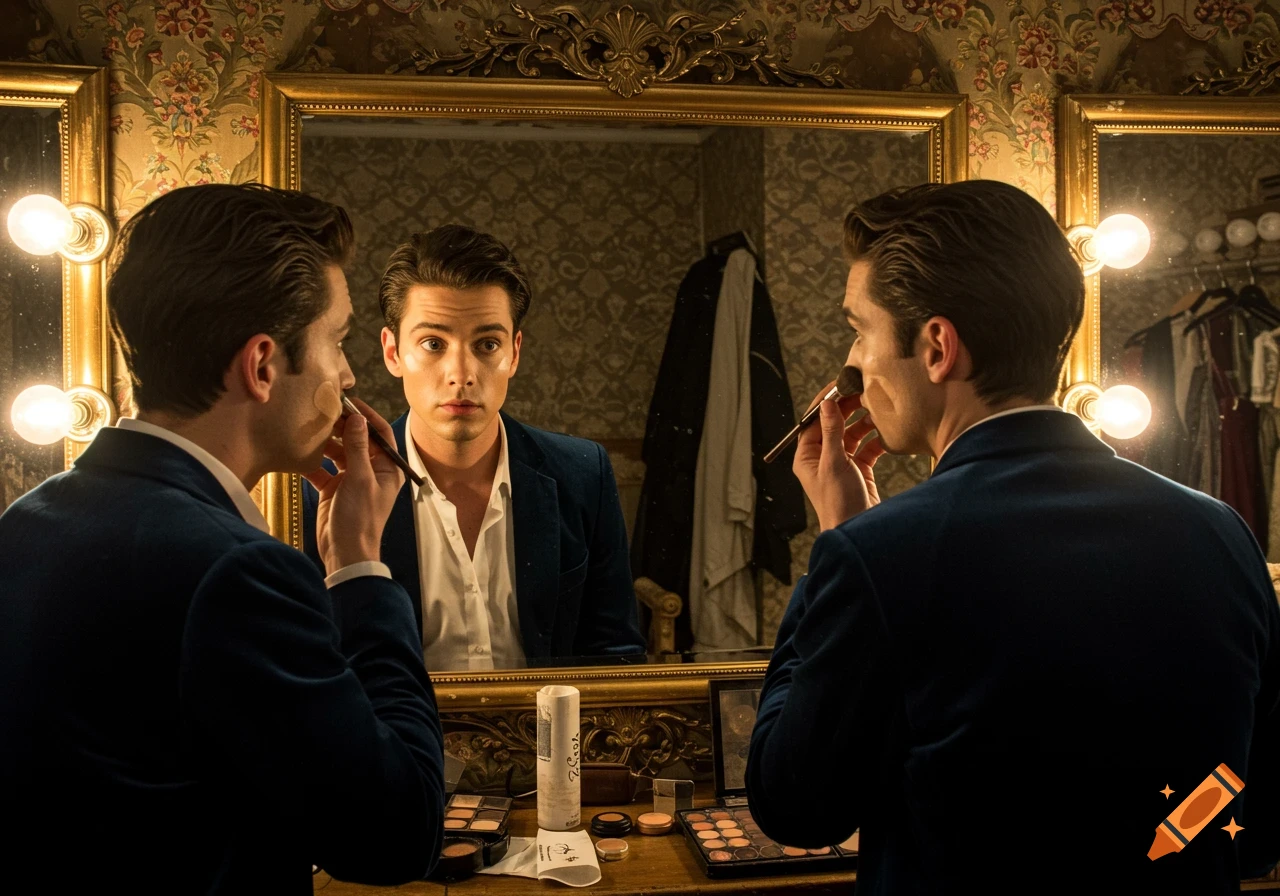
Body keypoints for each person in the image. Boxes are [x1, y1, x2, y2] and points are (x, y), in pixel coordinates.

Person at [745, 180, 1279, 894]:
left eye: (859, 329)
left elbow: (794, 806)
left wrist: (842, 540)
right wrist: (1166, 841)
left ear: (937, 346)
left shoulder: (882, 554)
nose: (856, 364)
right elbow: (1259, 811)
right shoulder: (1219, 534)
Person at [0, 184, 446, 894]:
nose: (350, 374)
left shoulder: (27, 520)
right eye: (338, 339)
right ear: (263, 365)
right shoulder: (235, 572)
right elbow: (396, 836)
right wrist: (360, 566)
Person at [304, 225, 644, 670]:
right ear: (392, 352)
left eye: (487, 345)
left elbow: (615, 654)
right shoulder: (336, 488)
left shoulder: (583, 473)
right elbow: (323, 665)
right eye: (432, 343)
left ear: (514, 353)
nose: (460, 373)